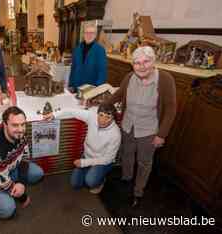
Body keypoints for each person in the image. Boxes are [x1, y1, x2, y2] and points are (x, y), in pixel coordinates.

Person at [107, 46, 176, 207]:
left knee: (144, 162)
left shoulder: (165, 79)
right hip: (128, 125)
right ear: (133, 65)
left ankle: (138, 191)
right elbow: (118, 95)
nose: (142, 66)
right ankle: (126, 178)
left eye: (146, 61)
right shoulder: (129, 77)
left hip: (149, 131)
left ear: (153, 62)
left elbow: (171, 108)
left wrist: (162, 135)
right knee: (127, 154)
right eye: (137, 63)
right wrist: (102, 105)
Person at [43, 103, 121, 194]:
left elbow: (108, 159)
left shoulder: (115, 134)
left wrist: (84, 163)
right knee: (75, 184)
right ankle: (91, 172)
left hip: (102, 162)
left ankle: (100, 181)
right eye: (101, 115)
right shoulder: (92, 117)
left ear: (113, 118)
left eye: (108, 117)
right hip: (87, 156)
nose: (103, 120)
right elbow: (71, 111)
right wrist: (54, 115)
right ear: (97, 113)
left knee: (91, 181)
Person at [68, 22, 108, 92]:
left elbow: (102, 72)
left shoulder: (100, 50)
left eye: (92, 33)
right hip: (76, 87)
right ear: (83, 34)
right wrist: (71, 85)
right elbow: (73, 68)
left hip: (90, 89)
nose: (89, 35)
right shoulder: (77, 49)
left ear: (95, 35)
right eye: (87, 32)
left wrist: (97, 91)